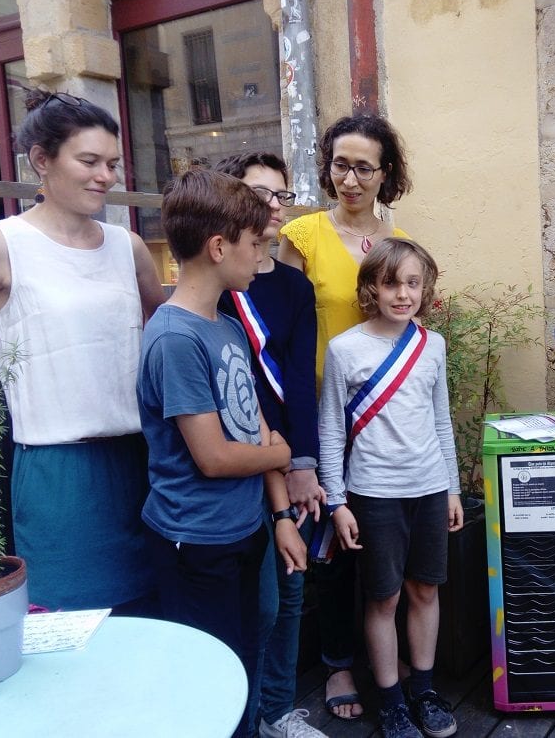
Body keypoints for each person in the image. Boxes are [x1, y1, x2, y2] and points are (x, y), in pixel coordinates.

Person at [0, 89, 165, 611]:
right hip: (58, 475)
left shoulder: (130, 247)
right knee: (72, 627)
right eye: (89, 161)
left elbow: (168, 333)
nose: (106, 175)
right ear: (41, 160)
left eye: (113, 163)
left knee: (153, 621)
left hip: (143, 461)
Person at [138, 169, 308, 738]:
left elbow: (253, 424)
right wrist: (281, 452)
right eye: (255, 243)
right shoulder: (176, 339)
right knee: (210, 671)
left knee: (251, 643)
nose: (262, 253)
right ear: (218, 247)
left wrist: (280, 512)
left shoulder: (228, 325)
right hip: (196, 541)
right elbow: (213, 456)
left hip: (244, 527)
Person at [278, 113, 412, 720]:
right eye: (340, 164)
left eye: (364, 166)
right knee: (331, 541)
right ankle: (336, 665)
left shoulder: (396, 237)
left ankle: (385, 655)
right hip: (322, 411)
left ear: (386, 173)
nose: (350, 178)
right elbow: (281, 330)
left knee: (382, 536)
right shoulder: (301, 235)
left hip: (384, 416)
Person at [319, 237, 463, 738]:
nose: (402, 294)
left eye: (412, 283)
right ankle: (391, 698)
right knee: (382, 598)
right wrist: (336, 501)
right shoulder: (345, 349)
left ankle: (422, 688)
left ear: (425, 288)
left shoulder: (433, 345)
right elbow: (332, 432)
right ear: (370, 289)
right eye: (390, 283)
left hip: (428, 487)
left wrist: (452, 489)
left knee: (425, 590)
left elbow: (441, 420)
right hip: (373, 492)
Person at [214, 153, 326, 738]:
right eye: (260, 193)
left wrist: (304, 463)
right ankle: (241, 713)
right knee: (248, 604)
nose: (273, 205)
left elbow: (300, 383)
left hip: (286, 457)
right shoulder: (216, 280)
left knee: (288, 589)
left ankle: (279, 710)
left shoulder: (293, 287)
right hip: (232, 465)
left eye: (280, 195)